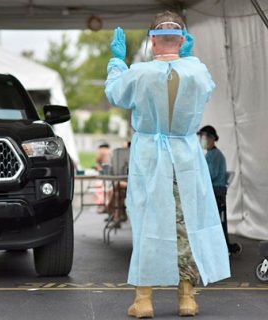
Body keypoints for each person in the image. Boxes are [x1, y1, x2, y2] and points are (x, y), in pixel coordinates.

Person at [104, 11, 230, 318]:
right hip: (186, 156)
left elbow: (115, 93)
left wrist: (117, 62)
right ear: (184, 40)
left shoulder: (139, 72)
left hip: (150, 155)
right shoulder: (197, 71)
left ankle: (143, 299)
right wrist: (187, 59)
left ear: (153, 40)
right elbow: (206, 87)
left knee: (149, 223)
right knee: (185, 224)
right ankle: (187, 297)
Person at [197, 125, 241, 255]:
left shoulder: (214, 155)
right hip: (216, 191)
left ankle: (217, 248)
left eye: (204, 137)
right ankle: (219, 246)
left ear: (211, 138)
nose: (202, 139)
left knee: (211, 221)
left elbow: (212, 174)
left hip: (216, 192)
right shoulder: (211, 154)